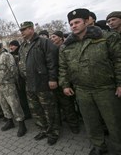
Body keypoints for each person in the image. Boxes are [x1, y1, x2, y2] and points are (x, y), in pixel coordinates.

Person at [59, 8, 121, 155]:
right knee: (90, 122)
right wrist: (65, 84)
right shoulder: (66, 46)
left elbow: (118, 60)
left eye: (77, 22)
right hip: (82, 90)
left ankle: (119, 147)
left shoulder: (106, 37)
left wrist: (120, 83)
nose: (73, 26)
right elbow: (63, 67)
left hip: (105, 88)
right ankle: (99, 146)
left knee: (114, 122)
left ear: (87, 21)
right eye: (71, 23)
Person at [18, 21, 60, 145]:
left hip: (42, 82)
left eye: (24, 30)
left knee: (49, 108)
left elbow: (52, 62)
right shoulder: (23, 46)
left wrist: (53, 78)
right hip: (29, 83)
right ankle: (43, 129)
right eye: (21, 30)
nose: (22, 32)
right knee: (36, 109)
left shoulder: (44, 42)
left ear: (31, 29)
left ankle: (53, 132)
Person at [0, 42, 27, 137]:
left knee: (14, 104)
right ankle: (9, 121)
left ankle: (21, 124)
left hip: (8, 85)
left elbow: (14, 69)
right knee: (4, 105)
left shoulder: (6, 55)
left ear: (0, 48)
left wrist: (12, 81)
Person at [50, 30, 80, 134]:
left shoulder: (66, 47)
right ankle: (66, 120)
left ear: (60, 37)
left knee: (68, 104)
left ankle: (74, 124)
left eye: (54, 37)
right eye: (51, 37)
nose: (52, 39)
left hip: (66, 80)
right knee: (59, 104)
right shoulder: (51, 49)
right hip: (56, 80)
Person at [8, 40, 32, 120]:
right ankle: (27, 113)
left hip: (25, 79)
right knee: (22, 98)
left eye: (12, 45)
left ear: (17, 46)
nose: (11, 47)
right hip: (17, 81)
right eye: (10, 46)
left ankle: (31, 112)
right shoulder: (11, 55)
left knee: (28, 97)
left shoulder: (21, 53)